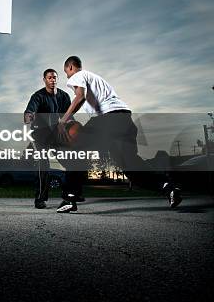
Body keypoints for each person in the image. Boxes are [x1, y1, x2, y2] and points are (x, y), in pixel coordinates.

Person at [57, 56, 182, 213]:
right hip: (125, 119)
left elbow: (80, 96)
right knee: (131, 166)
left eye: (66, 72)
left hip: (107, 120)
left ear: (70, 67)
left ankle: (70, 196)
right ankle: (167, 186)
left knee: (75, 151)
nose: (67, 77)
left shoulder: (78, 75)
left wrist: (63, 121)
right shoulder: (98, 80)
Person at [24, 68, 86, 209]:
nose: (52, 80)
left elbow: (68, 116)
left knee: (71, 159)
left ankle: (72, 193)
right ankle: (40, 198)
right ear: (44, 80)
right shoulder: (38, 96)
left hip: (57, 133)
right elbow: (29, 112)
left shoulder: (63, 96)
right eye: (49, 78)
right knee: (43, 163)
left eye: (54, 77)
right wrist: (29, 116)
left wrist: (71, 127)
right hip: (40, 134)